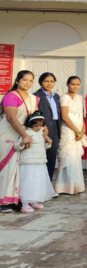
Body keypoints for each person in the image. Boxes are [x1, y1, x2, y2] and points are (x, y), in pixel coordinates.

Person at [0, 70, 40, 213]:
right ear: (17, 81)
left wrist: (43, 130)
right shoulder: (11, 96)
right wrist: (24, 135)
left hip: (25, 135)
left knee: (21, 169)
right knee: (8, 168)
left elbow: (35, 118)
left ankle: (17, 199)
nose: (28, 83)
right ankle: (4, 201)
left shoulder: (33, 98)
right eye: (25, 80)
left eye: (30, 80)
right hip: (9, 135)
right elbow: (11, 118)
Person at [16, 111, 56, 213]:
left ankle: (33, 201)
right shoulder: (26, 133)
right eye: (36, 126)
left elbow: (43, 147)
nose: (39, 128)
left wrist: (48, 143)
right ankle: (24, 203)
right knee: (28, 182)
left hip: (40, 162)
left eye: (40, 126)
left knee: (37, 182)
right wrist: (23, 142)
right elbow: (17, 146)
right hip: (29, 162)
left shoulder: (42, 134)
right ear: (30, 125)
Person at [55, 76, 87, 195]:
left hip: (78, 131)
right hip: (68, 131)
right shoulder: (64, 98)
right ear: (67, 84)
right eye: (73, 84)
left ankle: (76, 186)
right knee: (68, 157)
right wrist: (77, 131)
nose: (75, 86)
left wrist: (82, 131)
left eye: (78, 84)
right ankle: (64, 186)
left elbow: (82, 116)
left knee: (76, 158)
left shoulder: (79, 98)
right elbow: (64, 117)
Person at [33, 72, 61, 181]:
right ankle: (39, 182)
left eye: (51, 81)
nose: (49, 84)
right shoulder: (36, 96)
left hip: (55, 128)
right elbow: (35, 113)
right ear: (41, 82)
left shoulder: (56, 96)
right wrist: (42, 126)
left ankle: (48, 182)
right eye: (46, 81)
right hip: (42, 127)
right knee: (41, 155)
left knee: (52, 156)